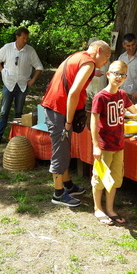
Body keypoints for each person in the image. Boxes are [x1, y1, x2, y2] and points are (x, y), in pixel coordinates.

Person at [41, 40, 111, 207]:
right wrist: (68, 123)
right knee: (60, 150)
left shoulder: (77, 56)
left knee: (64, 148)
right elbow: (73, 93)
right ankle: (58, 194)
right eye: (107, 56)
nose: (106, 61)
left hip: (56, 107)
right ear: (98, 50)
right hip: (59, 110)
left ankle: (68, 184)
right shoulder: (88, 63)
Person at [91, 60, 137, 225]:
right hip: (104, 146)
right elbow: (93, 121)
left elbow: (134, 110)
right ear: (108, 74)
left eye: (122, 74)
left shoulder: (122, 95)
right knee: (100, 178)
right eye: (116, 73)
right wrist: (95, 146)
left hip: (118, 145)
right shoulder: (100, 97)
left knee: (114, 178)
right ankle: (97, 208)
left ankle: (110, 209)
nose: (119, 77)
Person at [0, 27, 43, 146]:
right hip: (9, 84)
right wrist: (3, 71)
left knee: (19, 113)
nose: (25, 41)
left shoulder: (30, 50)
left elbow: (39, 67)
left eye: (27, 38)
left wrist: (32, 80)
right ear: (17, 37)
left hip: (23, 86)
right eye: (23, 38)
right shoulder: (7, 47)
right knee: (4, 112)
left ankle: (16, 138)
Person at [85, 37, 108, 110]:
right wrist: (92, 72)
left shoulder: (106, 61)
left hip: (102, 93)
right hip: (88, 95)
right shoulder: (85, 61)